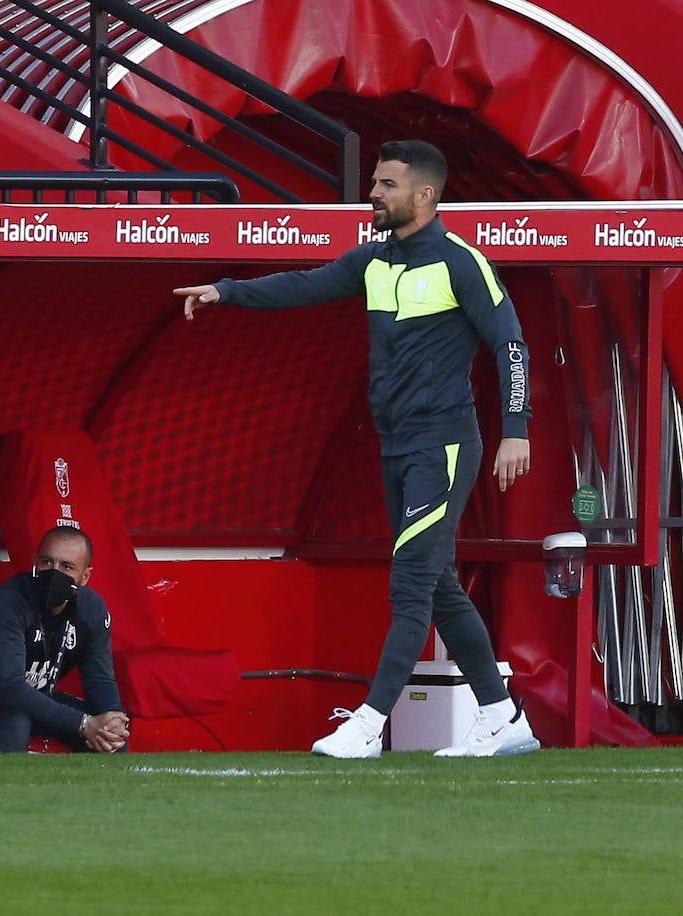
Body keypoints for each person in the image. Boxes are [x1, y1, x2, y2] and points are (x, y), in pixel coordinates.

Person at [173, 139, 539, 759]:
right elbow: (302, 285)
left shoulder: (460, 263)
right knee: (437, 583)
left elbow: (511, 345)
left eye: (386, 184)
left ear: (425, 194)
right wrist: (226, 291)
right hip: (398, 447)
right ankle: (504, 716)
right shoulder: (372, 262)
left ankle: (368, 724)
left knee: (409, 585)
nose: (373, 193)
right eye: (374, 182)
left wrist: (516, 430)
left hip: (444, 446)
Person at [0, 526, 130, 753]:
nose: (54, 572)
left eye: (67, 566)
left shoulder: (91, 609)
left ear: (85, 576)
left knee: (111, 737)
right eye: (47, 562)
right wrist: (83, 724)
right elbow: (11, 688)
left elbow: (100, 681)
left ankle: (91, 788)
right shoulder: (8, 602)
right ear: (35, 562)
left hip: (29, 698)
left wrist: (113, 721)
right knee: (15, 722)